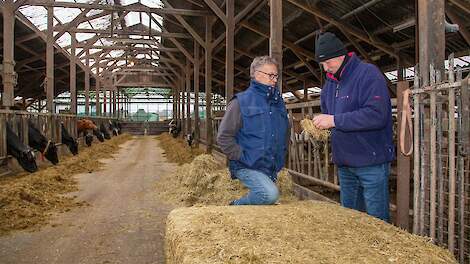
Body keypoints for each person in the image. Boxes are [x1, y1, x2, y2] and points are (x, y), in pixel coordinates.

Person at [312, 32, 394, 222]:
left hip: (370, 161)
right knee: (351, 220)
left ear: (341, 55)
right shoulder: (329, 87)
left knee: (377, 221)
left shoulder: (368, 74)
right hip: (345, 164)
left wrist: (334, 120)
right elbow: (330, 117)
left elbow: (377, 115)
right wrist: (320, 125)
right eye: (322, 64)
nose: (325, 69)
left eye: (328, 63)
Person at [217, 56, 289, 205]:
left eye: (276, 76)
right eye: (271, 75)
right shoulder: (240, 102)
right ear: (256, 74)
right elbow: (224, 136)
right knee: (270, 194)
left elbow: (284, 131)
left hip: (270, 165)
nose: (275, 80)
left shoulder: (278, 103)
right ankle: (235, 206)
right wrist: (242, 156)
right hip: (246, 164)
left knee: (268, 200)